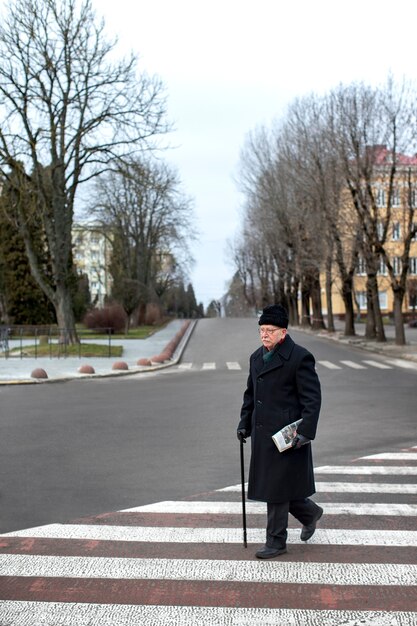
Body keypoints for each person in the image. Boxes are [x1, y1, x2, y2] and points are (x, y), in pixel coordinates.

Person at [237, 304, 323, 559]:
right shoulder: (256, 358)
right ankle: (310, 513)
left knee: (275, 490)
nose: (264, 334)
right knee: (278, 486)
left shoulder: (299, 357)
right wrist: (244, 423)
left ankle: (276, 542)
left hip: (289, 436)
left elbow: (312, 398)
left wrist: (306, 431)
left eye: (270, 330)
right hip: (263, 435)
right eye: (262, 330)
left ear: (283, 332)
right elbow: (250, 395)